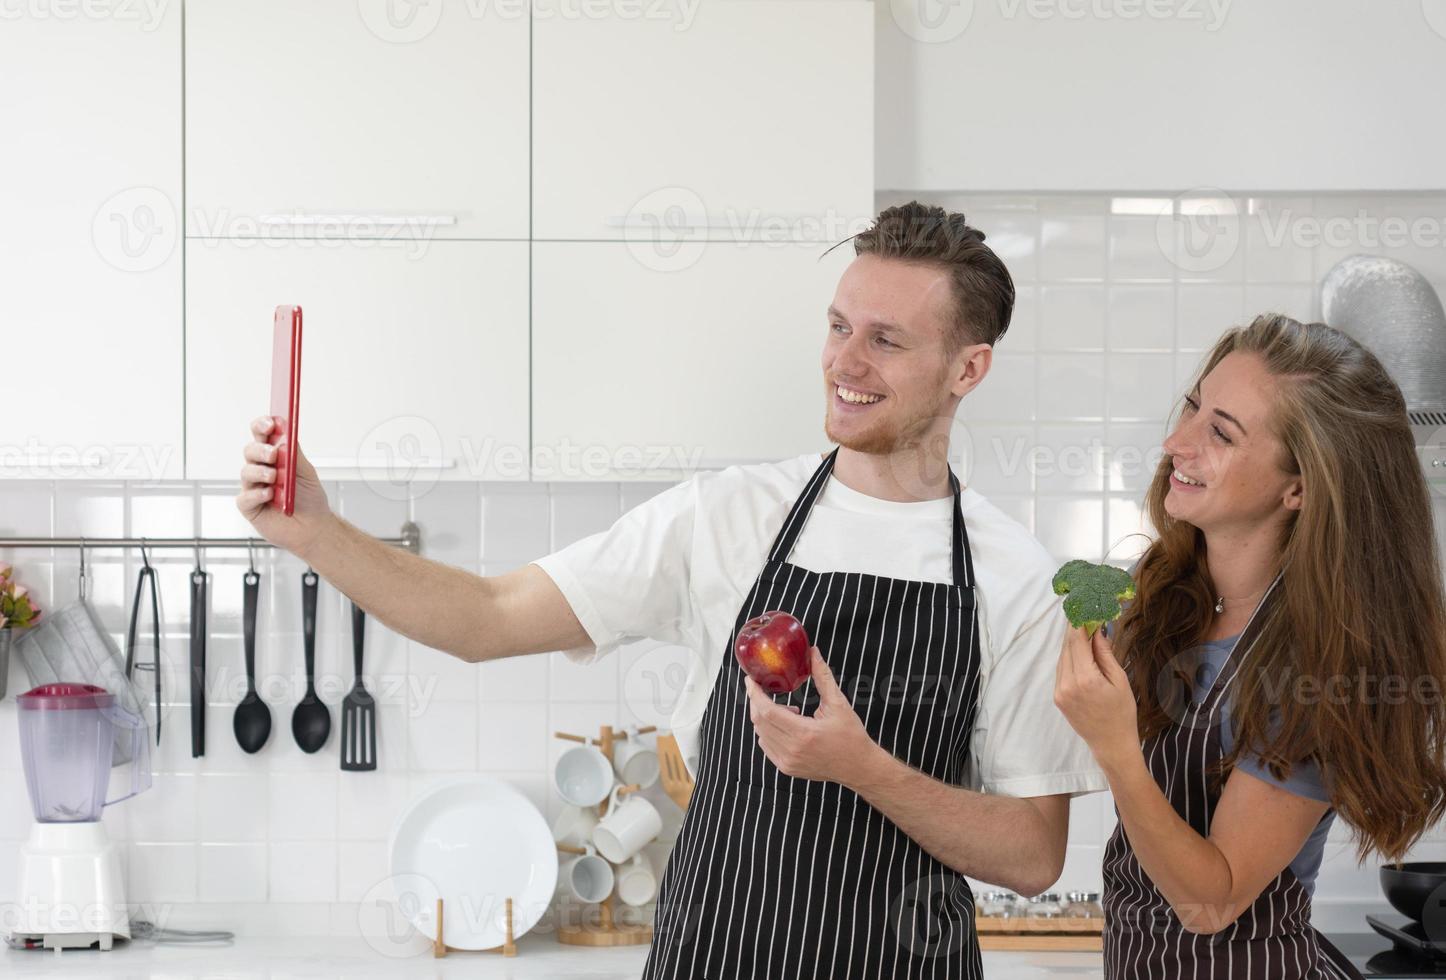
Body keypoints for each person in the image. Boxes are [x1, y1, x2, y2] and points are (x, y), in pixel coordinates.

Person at [237, 202, 1107, 978]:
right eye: (838, 326)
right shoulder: (727, 516)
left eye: (887, 339)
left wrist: (862, 769)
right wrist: (316, 530)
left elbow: (1032, 855)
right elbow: (487, 618)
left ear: (969, 369)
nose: (845, 360)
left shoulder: (1014, 578)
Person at [1053, 313, 1446, 979]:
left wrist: (1116, 747)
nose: (1177, 441)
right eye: (1193, 407)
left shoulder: (1325, 668)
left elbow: (1212, 903)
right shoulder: (1156, 603)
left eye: (1221, 433)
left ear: (1300, 486)